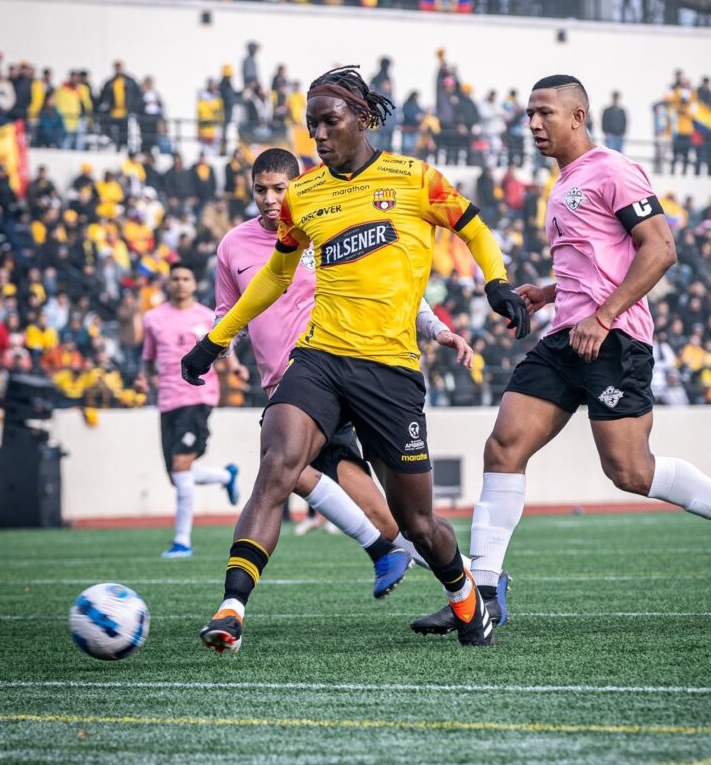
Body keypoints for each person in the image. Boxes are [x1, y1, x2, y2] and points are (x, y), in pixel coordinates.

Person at [410, 74, 711, 636]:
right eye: (529, 115)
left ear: (578, 117)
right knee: (504, 445)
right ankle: (483, 591)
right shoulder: (563, 182)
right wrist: (549, 293)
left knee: (631, 471)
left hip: (615, 339)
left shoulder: (612, 169)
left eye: (545, 113)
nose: (534, 124)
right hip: (566, 336)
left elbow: (661, 248)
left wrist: (603, 315)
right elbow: (595, 262)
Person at [181, 65, 530, 652]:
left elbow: (473, 228)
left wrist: (496, 282)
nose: (317, 135)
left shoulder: (414, 178)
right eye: (310, 124)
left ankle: (465, 594)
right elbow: (274, 276)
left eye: (329, 121)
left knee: (416, 523)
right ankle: (231, 608)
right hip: (319, 359)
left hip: (390, 372)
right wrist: (217, 340)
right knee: (278, 464)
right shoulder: (304, 194)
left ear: (362, 119)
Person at [216, 146, 479, 597]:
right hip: (287, 385)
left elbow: (393, 286)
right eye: (260, 189)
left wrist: (438, 331)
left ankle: (400, 557)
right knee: (384, 514)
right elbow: (230, 313)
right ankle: (472, 579)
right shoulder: (233, 246)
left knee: (289, 470)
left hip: (340, 370)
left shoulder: (324, 225)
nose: (269, 198)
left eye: (279, 188)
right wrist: (219, 351)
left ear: (297, 185)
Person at [137, 262, 243, 559]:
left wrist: (236, 369)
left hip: (198, 397)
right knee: (176, 474)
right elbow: (148, 357)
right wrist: (143, 378)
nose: (180, 283)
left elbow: (223, 347)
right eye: (175, 279)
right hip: (167, 400)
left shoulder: (207, 316)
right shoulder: (153, 319)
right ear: (168, 283)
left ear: (194, 284)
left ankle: (182, 542)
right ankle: (225, 476)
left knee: (181, 467)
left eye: (186, 278)